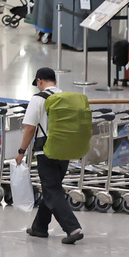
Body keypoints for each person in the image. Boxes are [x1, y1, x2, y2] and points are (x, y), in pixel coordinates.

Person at [18, 66, 84, 244]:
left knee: (51, 189)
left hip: (46, 150)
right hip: (66, 149)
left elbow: (30, 128)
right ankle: (39, 227)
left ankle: (73, 228)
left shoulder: (38, 99)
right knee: (52, 188)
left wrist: (21, 151)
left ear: (39, 81)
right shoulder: (65, 98)